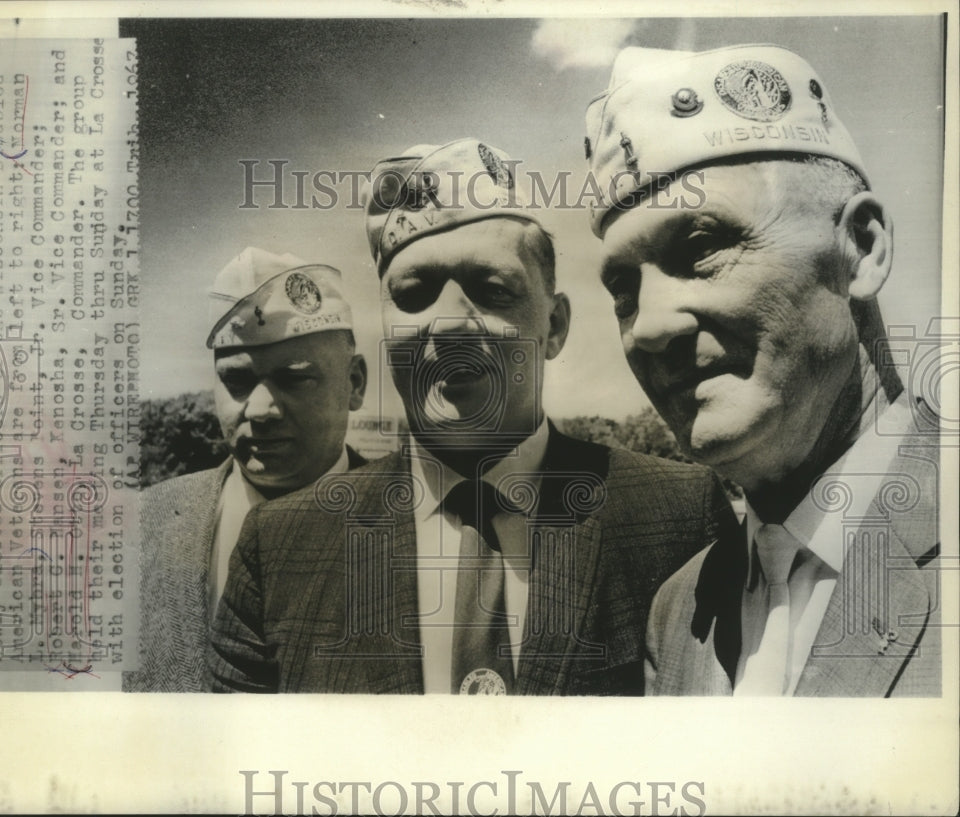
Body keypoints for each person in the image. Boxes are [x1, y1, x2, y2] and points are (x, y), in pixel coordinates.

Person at [210, 138, 739, 694]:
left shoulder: (676, 515)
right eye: (413, 294)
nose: (449, 324)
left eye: (491, 290)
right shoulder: (281, 546)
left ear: (554, 326)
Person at [584, 44, 940, 695]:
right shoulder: (679, 609)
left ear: (860, 249)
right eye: (624, 290)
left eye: (701, 245)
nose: (651, 326)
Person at [124, 247, 368, 691]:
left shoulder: (424, 529)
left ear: (354, 383)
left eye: (295, 379)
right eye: (237, 382)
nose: (260, 409)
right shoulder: (139, 528)